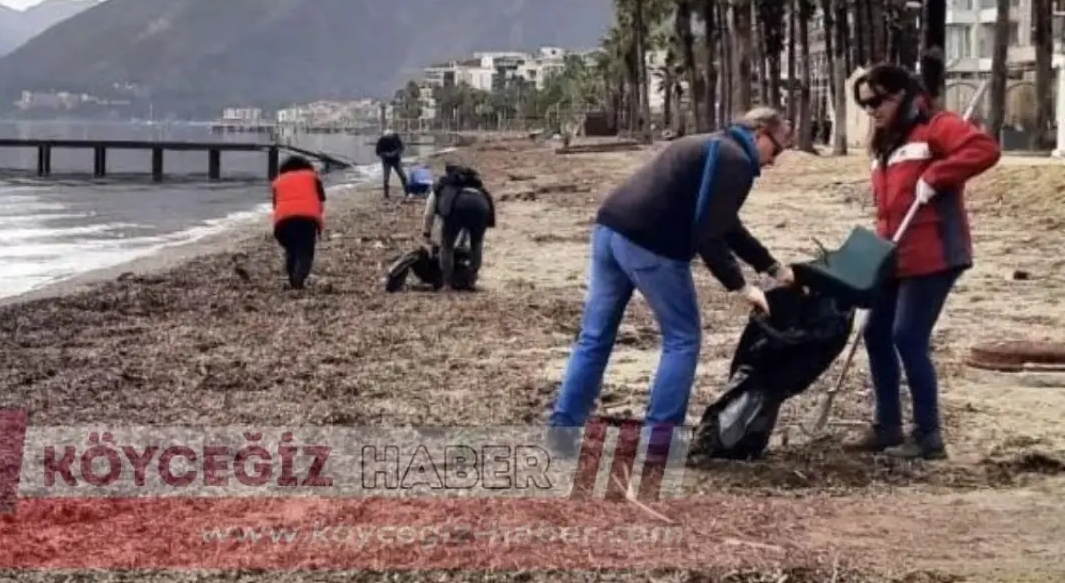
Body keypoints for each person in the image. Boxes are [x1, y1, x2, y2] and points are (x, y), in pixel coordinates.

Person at [548, 107, 795, 453]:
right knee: (683, 338)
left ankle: (563, 429)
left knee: (594, 336)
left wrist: (771, 267)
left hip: (610, 228)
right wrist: (741, 286)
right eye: (777, 150)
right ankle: (659, 440)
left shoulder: (713, 144)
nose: (773, 162)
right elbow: (710, 233)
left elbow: (725, 224)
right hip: (651, 243)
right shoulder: (736, 160)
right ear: (759, 134)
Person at [845, 64, 999, 460]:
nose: (871, 111)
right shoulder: (885, 142)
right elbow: (888, 207)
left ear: (900, 95)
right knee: (875, 333)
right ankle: (888, 426)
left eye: (877, 101)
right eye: (864, 105)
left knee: (907, 337)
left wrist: (938, 175)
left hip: (934, 254)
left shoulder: (936, 126)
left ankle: (928, 434)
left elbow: (984, 149)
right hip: (893, 255)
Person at [421, 164, 496, 290]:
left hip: (457, 207)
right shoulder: (476, 185)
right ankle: (471, 281)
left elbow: (428, 213)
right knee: (476, 245)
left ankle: (447, 283)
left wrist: (426, 232)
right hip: (481, 207)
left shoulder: (441, 186)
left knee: (447, 245)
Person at [271, 155, 326, 290]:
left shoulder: (278, 181)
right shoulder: (313, 178)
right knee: (305, 252)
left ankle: (292, 279)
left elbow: (275, 204)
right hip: (306, 219)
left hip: (283, 221)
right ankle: (298, 280)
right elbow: (322, 199)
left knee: (291, 250)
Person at [375, 129, 408, 199]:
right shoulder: (381, 140)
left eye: (390, 137)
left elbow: (401, 147)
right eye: (388, 138)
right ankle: (386, 195)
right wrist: (385, 154)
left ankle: (407, 192)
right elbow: (377, 152)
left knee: (403, 176)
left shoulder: (396, 137)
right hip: (386, 161)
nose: (389, 139)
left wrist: (395, 152)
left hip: (396, 159)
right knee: (386, 178)